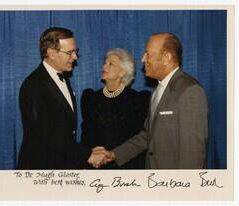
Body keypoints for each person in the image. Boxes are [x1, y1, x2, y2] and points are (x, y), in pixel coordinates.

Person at [91, 32, 208, 169]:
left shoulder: (190, 91)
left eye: (148, 54)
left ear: (166, 58)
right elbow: (148, 137)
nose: (142, 59)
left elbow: (193, 154)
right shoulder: (157, 91)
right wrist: (113, 154)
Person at [17, 27, 102, 169]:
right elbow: (48, 135)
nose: (75, 57)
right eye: (70, 52)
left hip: (63, 163)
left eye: (76, 51)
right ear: (51, 53)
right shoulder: (33, 85)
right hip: (41, 169)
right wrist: (87, 154)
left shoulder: (63, 75)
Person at [81, 48, 150, 169]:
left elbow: (139, 140)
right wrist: (92, 156)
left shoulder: (138, 100)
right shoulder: (91, 98)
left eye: (110, 64)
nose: (104, 66)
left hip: (127, 169)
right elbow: (86, 135)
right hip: (95, 167)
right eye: (104, 63)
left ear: (123, 72)